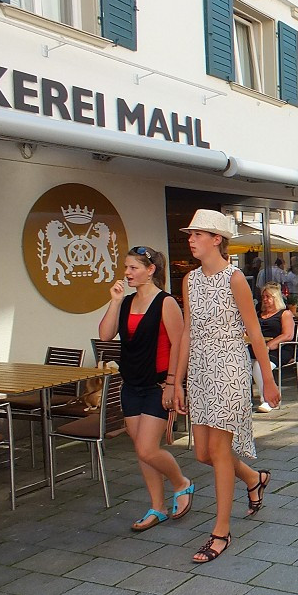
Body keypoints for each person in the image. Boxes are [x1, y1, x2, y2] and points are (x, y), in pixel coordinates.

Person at [175, 210, 278, 564]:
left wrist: (267, 378)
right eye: (190, 234)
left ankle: (220, 531)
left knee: (218, 452)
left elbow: (254, 331)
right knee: (203, 453)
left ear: (217, 239)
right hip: (201, 372)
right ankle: (253, 477)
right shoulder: (189, 281)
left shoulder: (234, 278)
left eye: (197, 233)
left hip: (229, 369)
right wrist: (177, 381)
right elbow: (187, 331)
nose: (190, 239)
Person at [99, 246, 192, 532]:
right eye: (126, 268)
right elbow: (104, 335)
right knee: (142, 451)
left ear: (150, 270)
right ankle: (157, 506)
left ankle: (182, 483)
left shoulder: (165, 302)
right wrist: (114, 302)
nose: (126, 273)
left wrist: (172, 383)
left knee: (147, 448)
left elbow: (179, 343)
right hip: (131, 385)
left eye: (133, 268)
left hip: (157, 385)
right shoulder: (126, 302)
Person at [252, 283, 295, 413]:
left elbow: (288, 335)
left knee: (259, 365)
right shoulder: (258, 314)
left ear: (275, 298)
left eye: (268, 297)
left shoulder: (284, 313)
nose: (264, 299)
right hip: (257, 347)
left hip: (279, 349)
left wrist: (270, 345)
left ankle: (268, 399)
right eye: (263, 296)